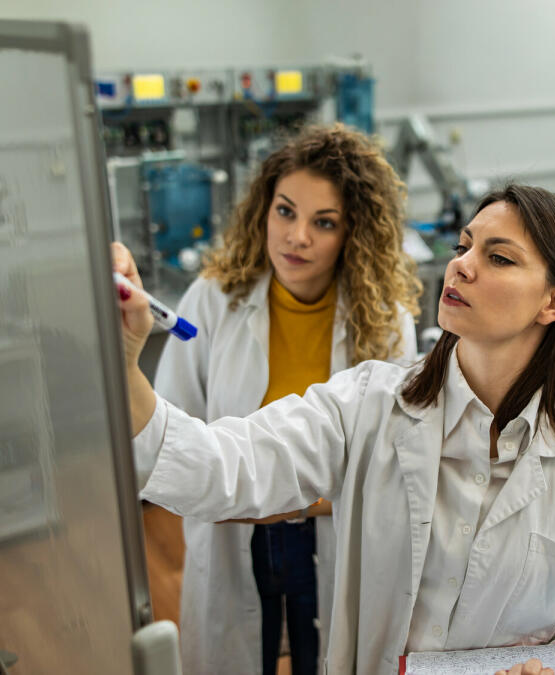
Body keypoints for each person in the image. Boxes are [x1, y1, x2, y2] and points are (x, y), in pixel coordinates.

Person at [116, 183, 555, 675]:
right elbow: (221, 468)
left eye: (498, 257)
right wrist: (122, 364)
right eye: (465, 246)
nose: (461, 266)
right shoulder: (366, 404)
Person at [125, 124, 421, 675]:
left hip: (328, 533)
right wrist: (236, 495)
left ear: (354, 233)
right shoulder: (214, 301)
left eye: (324, 222)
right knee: (236, 654)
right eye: (285, 211)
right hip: (234, 535)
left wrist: (280, 499)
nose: (297, 236)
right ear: (264, 209)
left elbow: (393, 467)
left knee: (327, 656)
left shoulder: (385, 325)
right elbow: (171, 433)